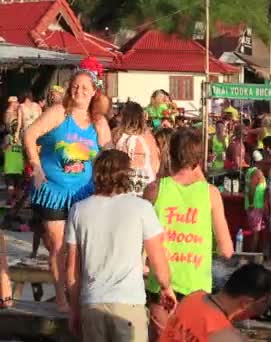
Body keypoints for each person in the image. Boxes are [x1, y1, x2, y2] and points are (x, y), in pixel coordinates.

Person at [65, 150, 174, 341]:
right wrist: (166, 288)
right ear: (127, 175)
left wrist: (74, 309)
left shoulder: (78, 210)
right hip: (129, 304)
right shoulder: (141, 208)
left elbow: (72, 271)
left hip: (92, 303)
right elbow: (158, 263)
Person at [24, 69, 111, 311]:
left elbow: (109, 156)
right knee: (59, 246)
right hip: (54, 191)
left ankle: (80, 295)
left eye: (85, 88)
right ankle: (62, 300)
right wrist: (36, 167)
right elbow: (29, 134)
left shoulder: (98, 122)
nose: (79, 91)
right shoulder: (59, 113)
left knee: (83, 247)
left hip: (85, 193)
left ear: (94, 93)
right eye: (75, 86)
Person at [143, 128, 234, 341]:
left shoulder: (155, 190)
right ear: (199, 158)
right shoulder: (210, 194)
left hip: (160, 286)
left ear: (170, 155)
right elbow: (227, 249)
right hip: (196, 290)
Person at [161, 263, 271, 341]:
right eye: (266, 303)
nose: (266, 309)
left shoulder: (193, 298)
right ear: (246, 303)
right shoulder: (226, 336)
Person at [112, 101, 160, 196]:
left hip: (121, 189)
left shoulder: (116, 135)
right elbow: (156, 164)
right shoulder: (148, 137)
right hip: (145, 189)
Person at [244, 151, 267, 252]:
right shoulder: (256, 172)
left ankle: (253, 254)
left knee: (255, 232)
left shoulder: (250, 171)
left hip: (254, 206)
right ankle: (253, 255)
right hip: (255, 207)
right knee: (255, 234)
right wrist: (252, 203)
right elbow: (252, 189)